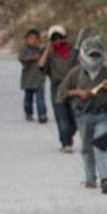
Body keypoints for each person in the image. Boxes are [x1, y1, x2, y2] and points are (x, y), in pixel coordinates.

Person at [60, 36, 107, 192]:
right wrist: (78, 92)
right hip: (83, 115)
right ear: (84, 55)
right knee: (86, 147)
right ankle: (90, 177)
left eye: (97, 55)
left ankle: (106, 178)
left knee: (101, 144)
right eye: (91, 55)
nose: (94, 58)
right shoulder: (76, 73)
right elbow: (61, 93)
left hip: (104, 115)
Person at [39, 25, 77, 153]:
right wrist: (47, 49)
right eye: (54, 39)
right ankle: (65, 143)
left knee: (75, 117)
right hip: (58, 87)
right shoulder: (50, 54)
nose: (58, 41)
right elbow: (41, 66)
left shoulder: (73, 52)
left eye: (60, 38)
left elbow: (81, 66)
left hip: (73, 87)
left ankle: (68, 136)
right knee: (62, 117)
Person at [18, 29, 47, 123]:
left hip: (39, 78)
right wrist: (34, 58)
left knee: (40, 98)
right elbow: (21, 58)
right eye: (31, 38)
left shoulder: (40, 50)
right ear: (26, 40)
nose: (33, 40)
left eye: (35, 38)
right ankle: (28, 113)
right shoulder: (24, 50)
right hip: (28, 79)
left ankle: (42, 114)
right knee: (28, 99)